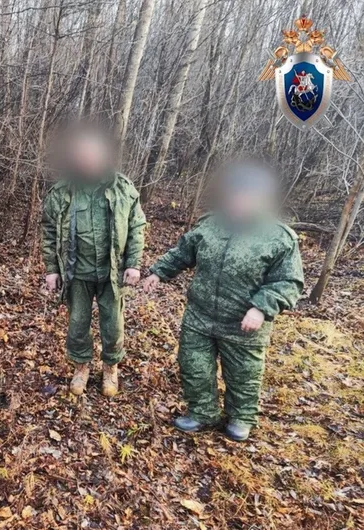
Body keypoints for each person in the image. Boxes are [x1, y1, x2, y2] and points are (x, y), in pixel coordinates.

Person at [142, 160, 304, 441]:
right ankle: (202, 413)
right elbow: (183, 253)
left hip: (243, 323)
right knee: (194, 366)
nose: (238, 202)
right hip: (200, 316)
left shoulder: (278, 237)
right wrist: (158, 272)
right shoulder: (210, 225)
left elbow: (289, 282)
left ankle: (241, 418)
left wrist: (261, 308)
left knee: (243, 373)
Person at [41, 125, 146, 397]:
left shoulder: (122, 188)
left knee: (113, 325)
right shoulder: (62, 191)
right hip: (77, 272)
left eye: (92, 155)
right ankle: (81, 367)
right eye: (82, 156)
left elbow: (137, 226)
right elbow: (49, 229)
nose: (87, 161)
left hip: (112, 272)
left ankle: (111, 368)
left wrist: (133, 263)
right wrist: (52, 269)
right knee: (77, 324)